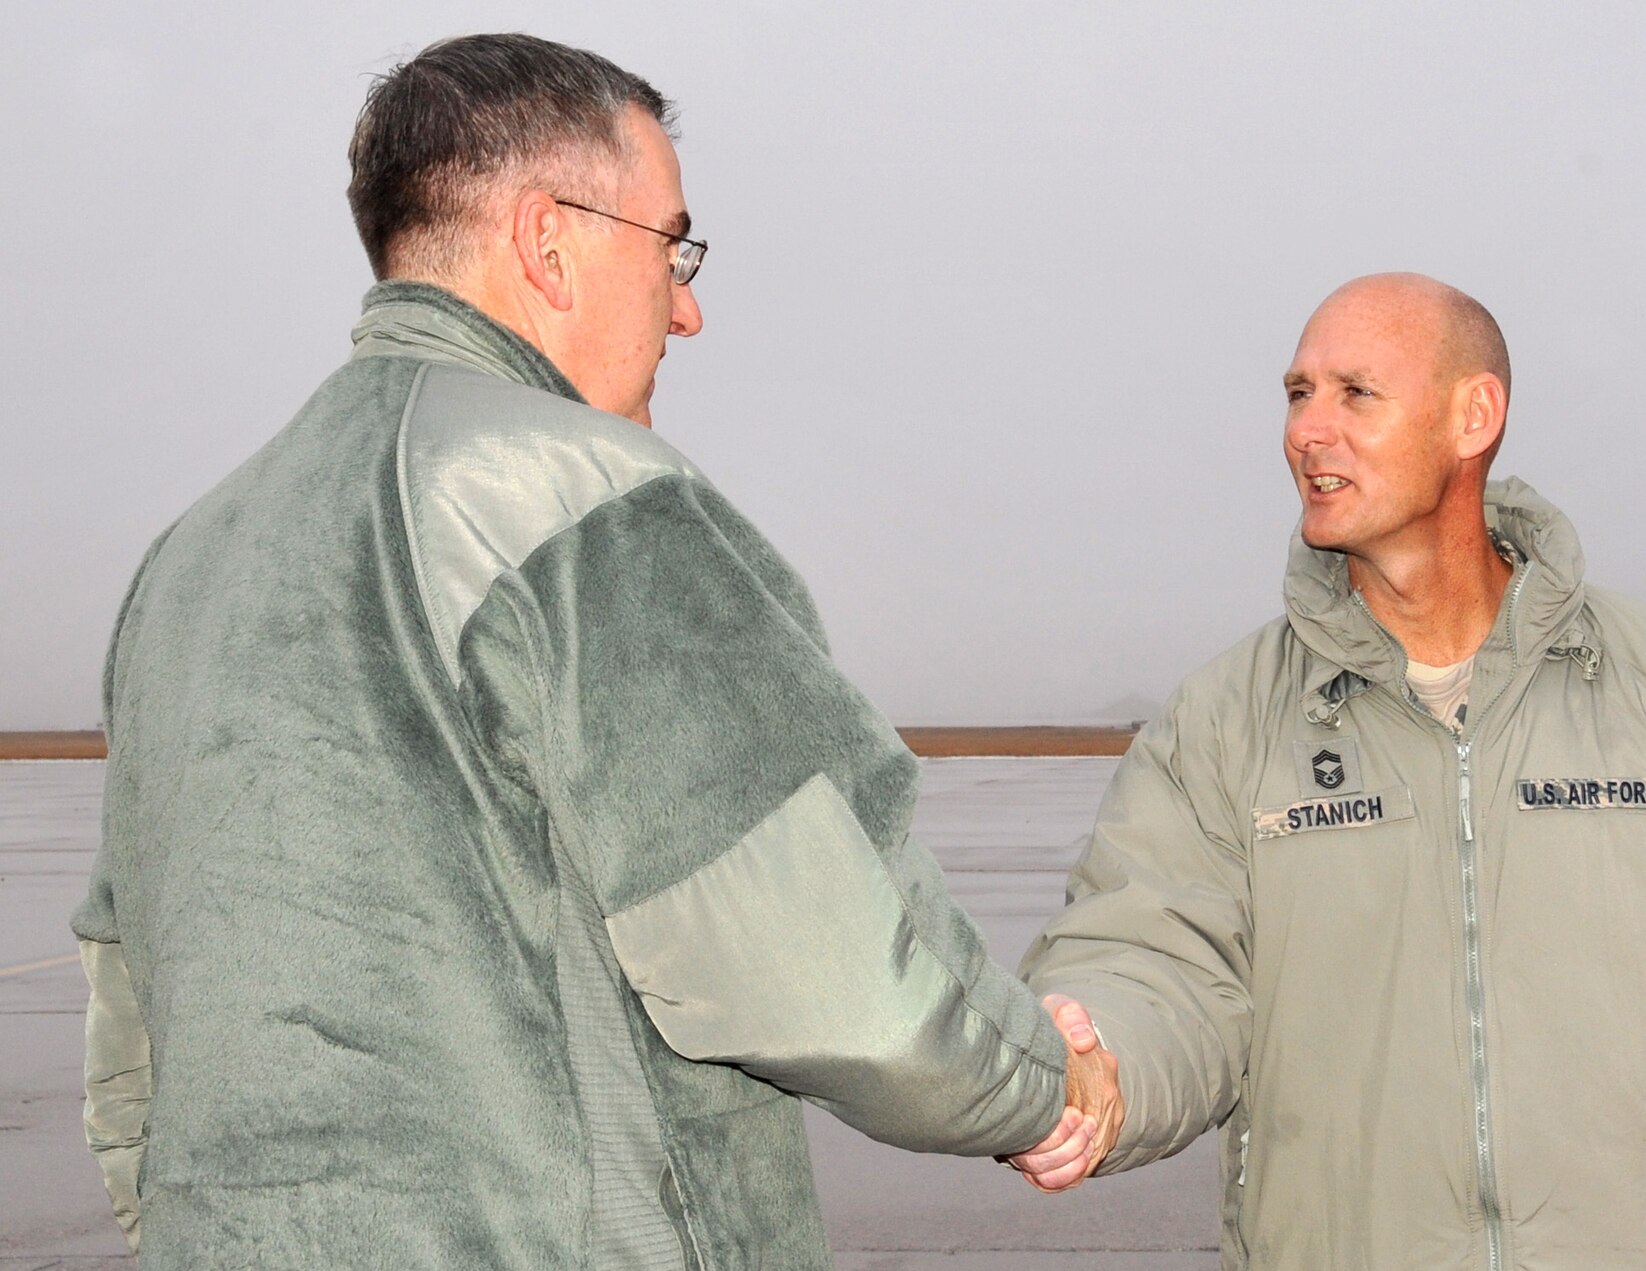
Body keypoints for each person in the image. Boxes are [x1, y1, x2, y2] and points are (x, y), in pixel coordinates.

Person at [73, 33, 1112, 1267]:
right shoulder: (579, 494)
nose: (687, 303)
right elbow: (815, 954)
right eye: (671, 244)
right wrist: (1042, 1081)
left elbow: (128, 1032)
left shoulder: (190, 559)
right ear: (546, 240)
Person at [1007, 273, 1646, 1268]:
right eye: (1295, 392)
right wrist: (1097, 1067)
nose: (1307, 430)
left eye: (1353, 392)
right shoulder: (1222, 722)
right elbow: (1151, 960)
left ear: (1471, 415)